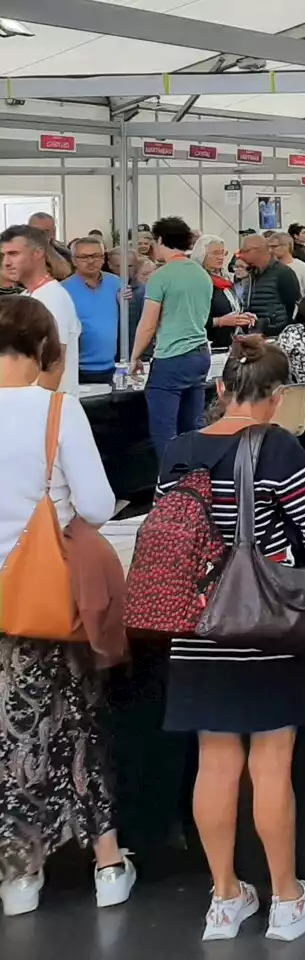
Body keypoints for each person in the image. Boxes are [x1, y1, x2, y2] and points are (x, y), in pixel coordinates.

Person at [156, 335, 305, 942]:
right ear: (280, 395)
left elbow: (174, 536)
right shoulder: (280, 448)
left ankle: (225, 898)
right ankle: (288, 900)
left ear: (220, 389)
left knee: (215, 761)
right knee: (270, 762)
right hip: (264, 624)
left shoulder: (179, 450)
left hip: (197, 622)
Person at [0, 297, 134, 918]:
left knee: (11, 738)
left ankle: (18, 875)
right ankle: (107, 864)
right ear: (48, 348)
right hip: (51, 600)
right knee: (78, 725)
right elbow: (100, 505)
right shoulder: (58, 412)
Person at [128, 217, 212, 463]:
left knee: (164, 431)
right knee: (192, 426)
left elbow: (148, 323)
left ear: (161, 240)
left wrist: (135, 356)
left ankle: (171, 488)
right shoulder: (202, 275)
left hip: (171, 357)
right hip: (200, 354)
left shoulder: (160, 277)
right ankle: (196, 484)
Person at [0, 225, 80, 393]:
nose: (6, 263)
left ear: (38, 253)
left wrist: (39, 409)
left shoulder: (52, 297)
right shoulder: (28, 296)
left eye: (14, 254)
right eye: (3, 255)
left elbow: (54, 364)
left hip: (45, 408)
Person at [63, 235, 124, 385]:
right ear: (74, 260)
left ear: (103, 258)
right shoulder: (63, 290)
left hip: (113, 367)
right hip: (77, 371)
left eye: (96, 256)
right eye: (84, 257)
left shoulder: (116, 283)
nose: (90, 261)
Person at [191, 235, 254, 350]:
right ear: (202, 255)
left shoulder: (225, 279)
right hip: (207, 346)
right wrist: (220, 321)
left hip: (228, 344)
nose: (220, 257)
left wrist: (241, 316)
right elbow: (193, 319)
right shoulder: (196, 281)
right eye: (215, 253)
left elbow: (228, 308)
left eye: (222, 253)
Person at [237, 235, 301, 337]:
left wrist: (273, 325)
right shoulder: (250, 274)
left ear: (257, 250)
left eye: (245, 252)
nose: (241, 256)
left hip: (276, 336)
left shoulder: (284, 273)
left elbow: (292, 306)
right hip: (252, 335)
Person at [268, 232, 305, 298]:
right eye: (268, 247)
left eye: (274, 246)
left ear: (287, 246)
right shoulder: (268, 268)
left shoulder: (304, 269)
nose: (270, 250)